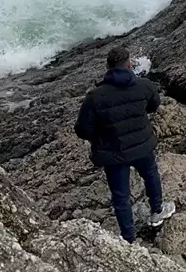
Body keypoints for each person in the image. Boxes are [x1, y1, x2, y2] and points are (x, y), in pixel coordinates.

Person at [73, 46, 175, 242]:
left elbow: (83, 130)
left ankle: (128, 239)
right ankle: (157, 211)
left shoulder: (95, 97)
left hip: (113, 152)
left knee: (120, 195)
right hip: (142, 145)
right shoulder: (145, 85)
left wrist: (98, 137)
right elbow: (153, 105)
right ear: (129, 64)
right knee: (151, 174)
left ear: (108, 67)